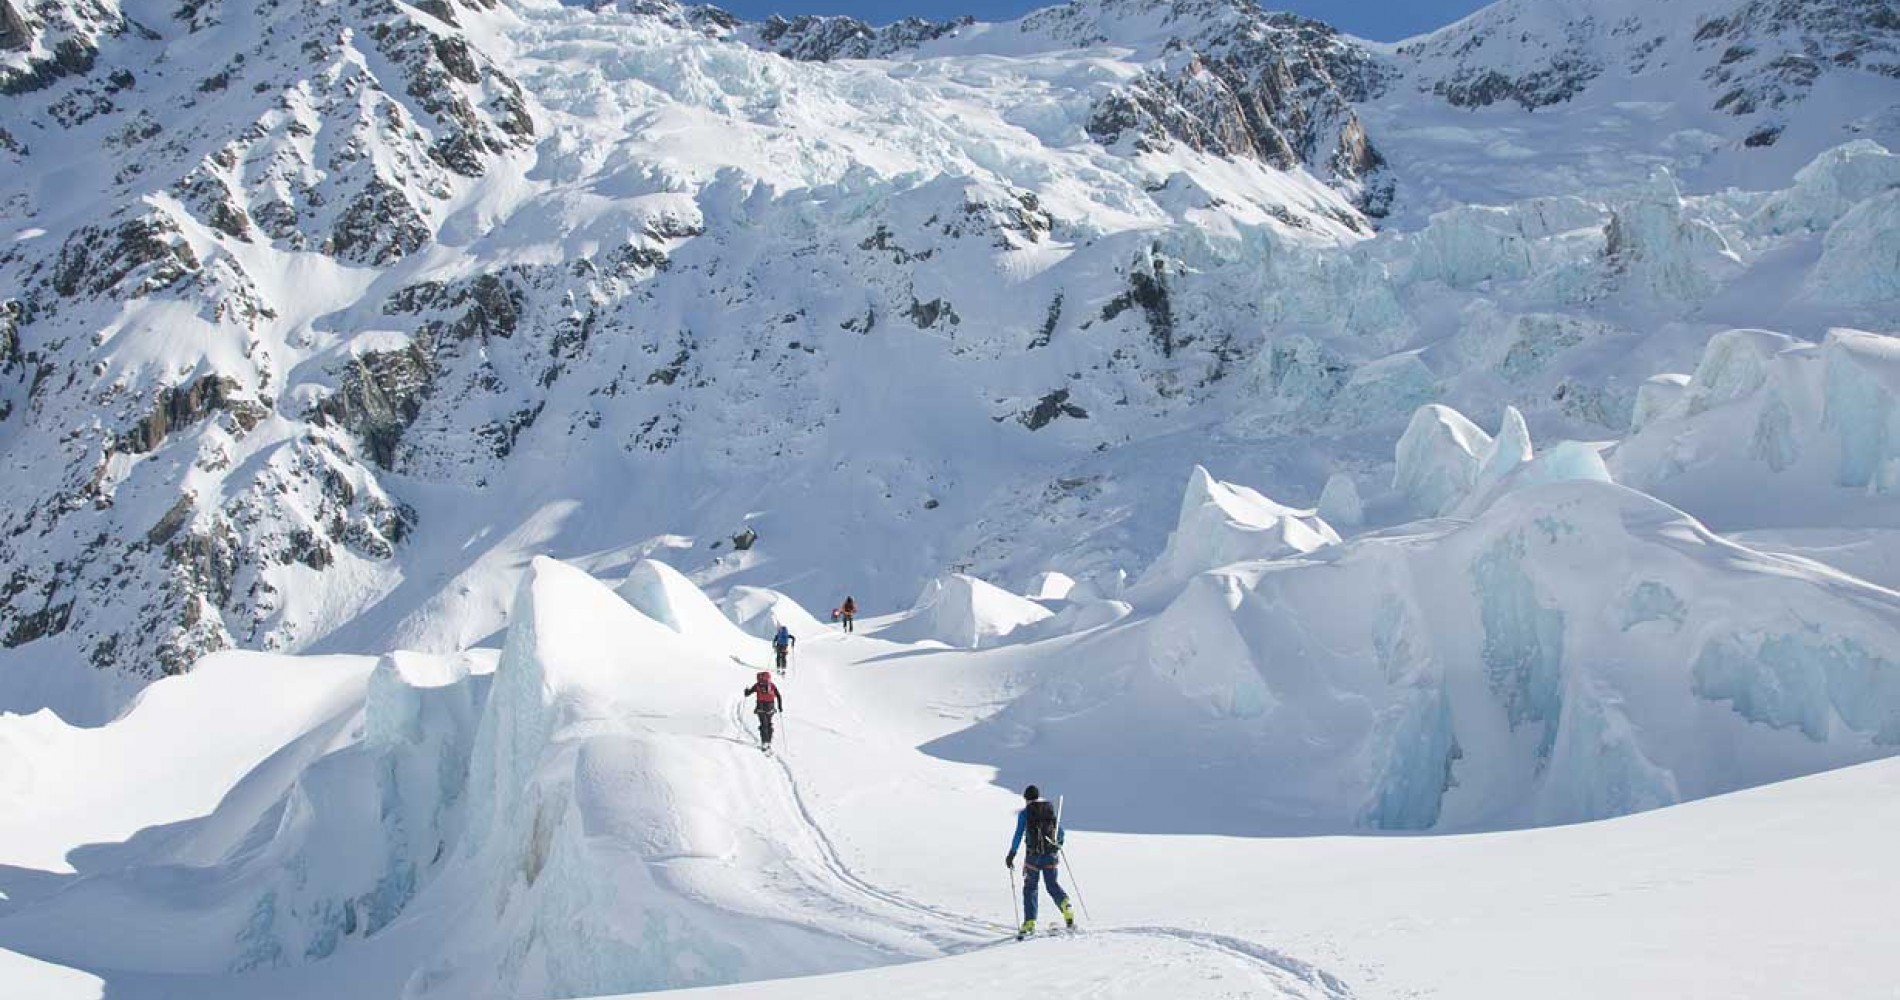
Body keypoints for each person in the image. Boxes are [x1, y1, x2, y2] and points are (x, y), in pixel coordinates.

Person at [1005, 784, 1073, 937]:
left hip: (1033, 858)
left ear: (1026, 798)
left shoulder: (1025, 813)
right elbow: (1060, 832)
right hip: (1051, 855)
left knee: (1030, 888)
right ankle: (1066, 906)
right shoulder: (1048, 810)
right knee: (1052, 885)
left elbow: (1018, 834)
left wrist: (1011, 854)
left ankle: (1030, 922)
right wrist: (1058, 845)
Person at [743, 671, 782, 752]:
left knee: (763, 724)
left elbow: (748, 693)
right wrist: (780, 707)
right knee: (769, 724)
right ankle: (769, 741)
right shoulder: (772, 685)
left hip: (760, 707)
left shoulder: (757, 685)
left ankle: (764, 742)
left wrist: (746, 691)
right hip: (770, 707)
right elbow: (778, 695)